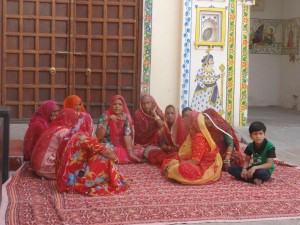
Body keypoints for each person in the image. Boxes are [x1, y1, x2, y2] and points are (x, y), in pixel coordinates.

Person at [56, 112, 131, 196]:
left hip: (64, 179)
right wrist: (116, 159)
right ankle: (114, 181)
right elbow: (106, 151)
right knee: (104, 158)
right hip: (75, 180)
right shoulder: (82, 137)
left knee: (98, 154)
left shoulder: (67, 136)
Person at [162, 110, 222, 185]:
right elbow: (186, 154)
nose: (183, 121)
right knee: (170, 161)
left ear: (192, 124)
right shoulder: (192, 135)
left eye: (186, 120)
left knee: (180, 168)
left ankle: (175, 173)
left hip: (205, 167)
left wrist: (179, 164)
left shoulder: (198, 138)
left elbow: (195, 161)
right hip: (197, 162)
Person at [30, 108, 79, 179]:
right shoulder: (64, 131)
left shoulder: (53, 127)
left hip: (37, 166)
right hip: (46, 168)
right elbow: (68, 152)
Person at [95, 95, 144, 164]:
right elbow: (99, 136)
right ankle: (116, 159)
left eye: (120, 104)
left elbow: (127, 135)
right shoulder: (104, 116)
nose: (117, 106)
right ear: (111, 105)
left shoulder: (124, 117)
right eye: (115, 104)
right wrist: (107, 121)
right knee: (103, 149)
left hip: (121, 146)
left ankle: (115, 158)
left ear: (123, 107)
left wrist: (130, 153)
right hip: (107, 144)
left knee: (141, 150)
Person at [134, 94, 164, 159]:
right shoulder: (138, 113)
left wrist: (155, 114)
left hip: (155, 140)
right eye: (143, 104)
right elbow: (140, 133)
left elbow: (162, 126)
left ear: (152, 103)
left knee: (159, 132)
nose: (146, 106)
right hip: (141, 142)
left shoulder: (157, 111)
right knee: (138, 153)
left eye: (148, 103)